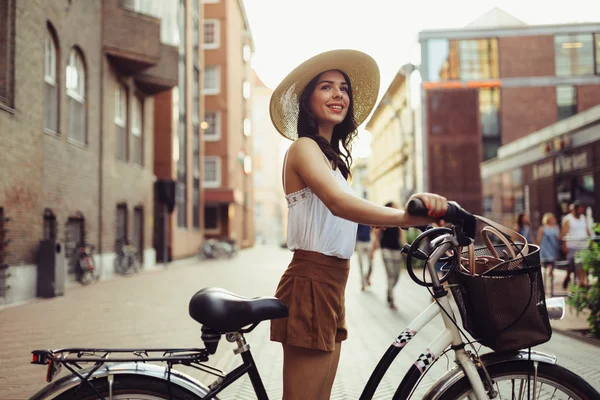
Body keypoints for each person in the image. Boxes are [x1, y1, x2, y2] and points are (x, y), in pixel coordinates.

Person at [268, 49, 448, 400]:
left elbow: (348, 206)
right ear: (307, 101)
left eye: (344, 88)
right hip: (311, 282)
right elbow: (340, 204)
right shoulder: (303, 148)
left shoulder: (333, 162)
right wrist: (406, 218)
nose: (338, 95)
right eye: (326, 87)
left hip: (333, 284)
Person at [370, 202, 405, 310]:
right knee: (390, 275)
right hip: (385, 249)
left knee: (396, 276)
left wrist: (407, 249)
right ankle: (391, 299)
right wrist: (373, 251)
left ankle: (389, 290)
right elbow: (376, 237)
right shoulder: (383, 220)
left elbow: (402, 237)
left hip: (396, 250)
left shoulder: (399, 220)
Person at [561, 200, 591, 287]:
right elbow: (564, 233)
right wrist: (564, 245)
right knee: (574, 266)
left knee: (583, 265)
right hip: (572, 246)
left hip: (584, 245)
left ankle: (581, 282)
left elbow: (587, 230)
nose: (581, 210)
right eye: (580, 209)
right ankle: (570, 279)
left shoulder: (583, 218)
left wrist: (590, 240)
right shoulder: (568, 219)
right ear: (575, 209)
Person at [536, 212, 561, 295]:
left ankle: (550, 274)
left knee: (553, 262)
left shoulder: (556, 227)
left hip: (553, 246)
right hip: (545, 247)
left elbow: (559, 237)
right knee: (546, 261)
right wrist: (537, 248)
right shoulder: (542, 228)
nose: (553, 220)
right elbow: (539, 239)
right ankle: (545, 278)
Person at [355, 223, 373, 290]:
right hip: (360, 242)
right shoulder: (359, 221)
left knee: (371, 264)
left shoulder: (370, 219)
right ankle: (362, 283)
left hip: (368, 242)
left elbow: (373, 230)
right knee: (361, 264)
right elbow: (356, 231)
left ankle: (367, 278)